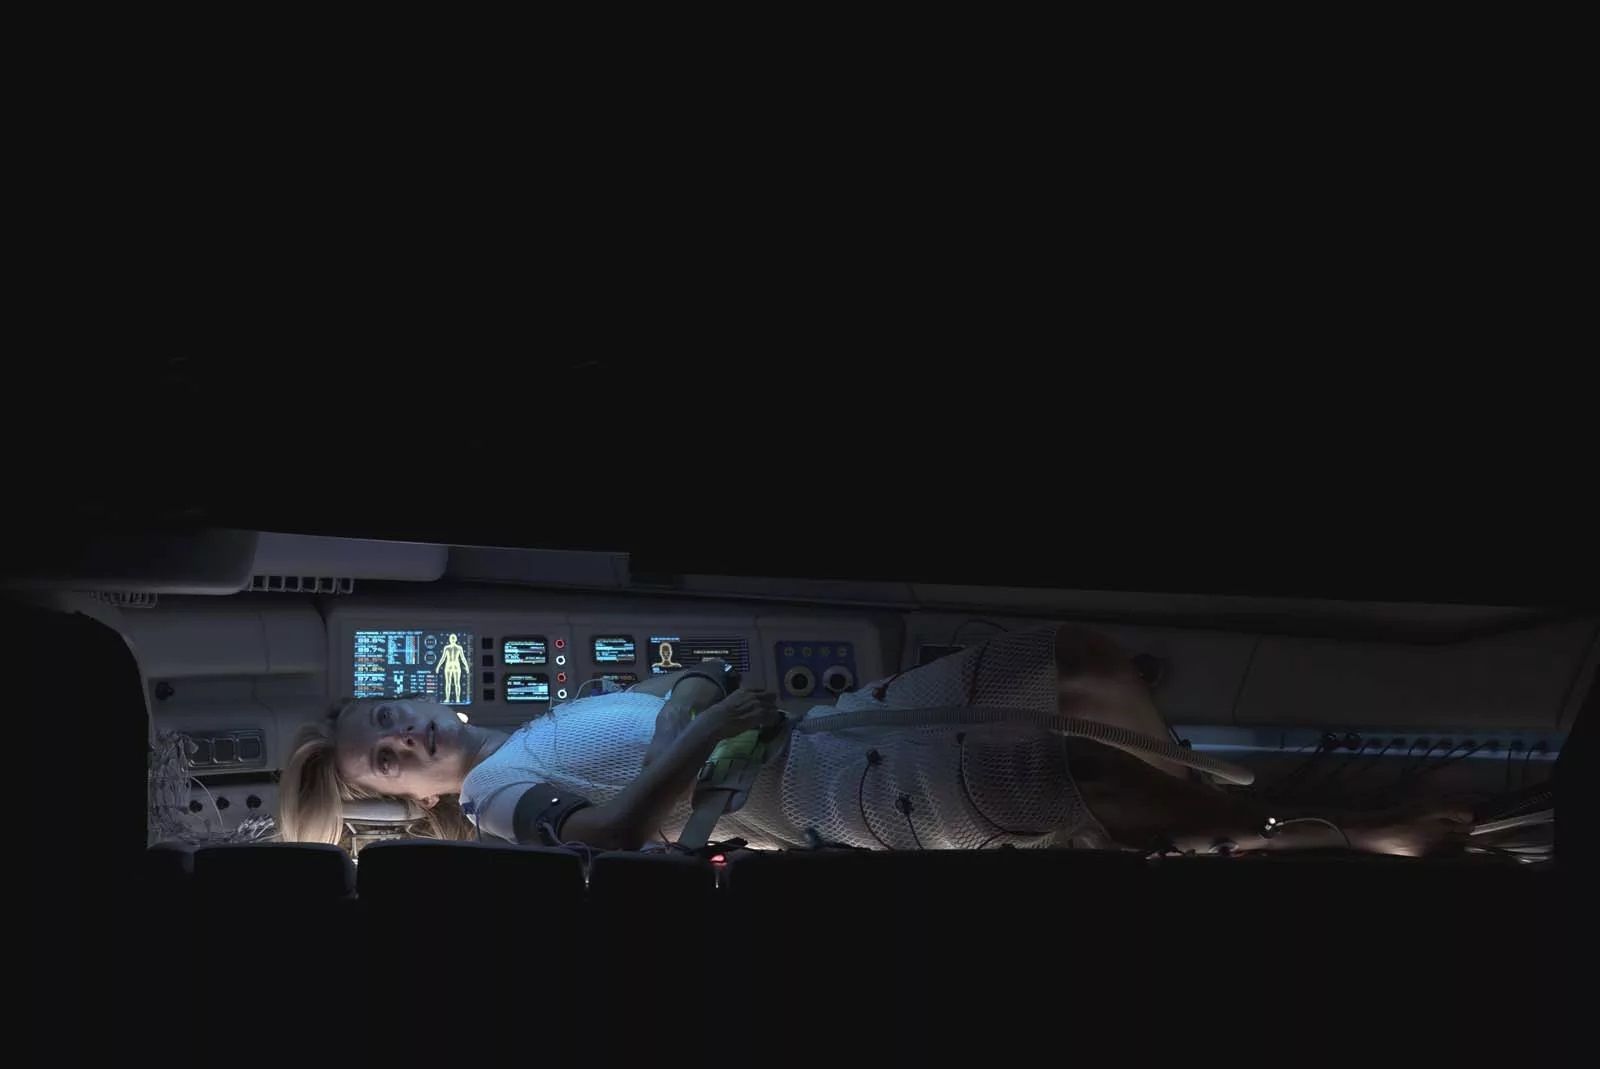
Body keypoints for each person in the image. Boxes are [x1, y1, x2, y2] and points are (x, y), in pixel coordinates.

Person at [278, 626, 1471, 857]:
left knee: (1080, 664)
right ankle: (1350, 836)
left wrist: (688, 692)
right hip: (825, 793)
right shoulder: (495, 798)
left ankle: (1262, 829)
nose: (404, 734)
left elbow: (678, 700)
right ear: (407, 797)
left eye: (387, 715)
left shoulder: (532, 724)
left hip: (839, 728)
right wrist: (705, 730)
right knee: (1087, 783)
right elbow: (613, 832)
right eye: (387, 757)